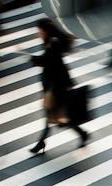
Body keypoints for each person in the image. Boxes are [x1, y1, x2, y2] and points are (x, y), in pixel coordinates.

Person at [29, 18, 88, 155]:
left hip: (55, 88)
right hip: (53, 86)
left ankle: (41, 143)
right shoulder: (51, 42)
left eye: (39, 30)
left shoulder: (53, 44)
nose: (38, 33)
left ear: (45, 30)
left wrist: (33, 59)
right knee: (57, 117)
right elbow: (56, 63)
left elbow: (51, 62)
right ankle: (82, 133)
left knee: (54, 116)